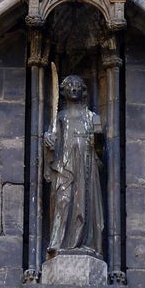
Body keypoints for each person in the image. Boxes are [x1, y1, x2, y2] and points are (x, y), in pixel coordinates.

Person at [44, 75, 104, 257]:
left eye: (78, 85)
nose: (74, 88)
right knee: (63, 200)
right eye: (70, 85)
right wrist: (48, 141)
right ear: (63, 91)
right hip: (65, 165)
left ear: (84, 90)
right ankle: (58, 243)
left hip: (86, 164)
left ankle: (86, 243)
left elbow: (101, 149)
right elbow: (52, 144)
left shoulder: (93, 117)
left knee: (85, 202)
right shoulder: (60, 118)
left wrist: (98, 138)